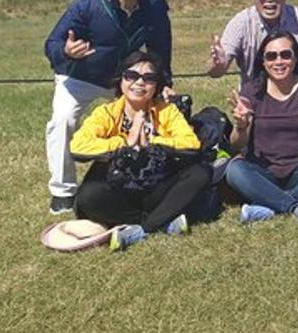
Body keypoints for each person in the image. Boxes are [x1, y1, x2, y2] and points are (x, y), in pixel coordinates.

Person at [43, 0, 173, 214]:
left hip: (126, 80)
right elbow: (53, 43)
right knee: (63, 120)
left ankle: (139, 180)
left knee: (150, 122)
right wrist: (66, 51)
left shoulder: (155, 4)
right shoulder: (88, 3)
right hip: (80, 76)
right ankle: (63, 191)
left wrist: (164, 83)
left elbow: (161, 47)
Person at [70, 51, 206, 251]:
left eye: (149, 78)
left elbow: (191, 143)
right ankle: (162, 220)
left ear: (157, 85)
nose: (139, 83)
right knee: (87, 196)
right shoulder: (107, 113)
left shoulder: (166, 111)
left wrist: (151, 141)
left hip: (156, 187)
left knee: (200, 173)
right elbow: (78, 145)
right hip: (120, 188)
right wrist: (124, 141)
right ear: (121, 80)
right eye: (132, 76)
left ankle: (142, 229)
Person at [224, 30, 298, 223]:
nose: (278, 61)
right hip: (262, 170)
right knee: (234, 170)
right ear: (263, 61)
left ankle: (266, 204)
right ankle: (296, 207)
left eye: (286, 55)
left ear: (295, 59)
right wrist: (241, 126)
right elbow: (237, 146)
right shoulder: (251, 91)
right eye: (271, 56)